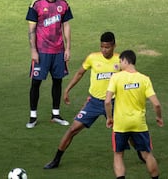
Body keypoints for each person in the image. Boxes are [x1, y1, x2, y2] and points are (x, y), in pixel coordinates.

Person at [44, 32, 120, 169]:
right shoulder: (92, 58)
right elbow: (80, 73)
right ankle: (56, 160)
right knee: (72, 129)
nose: (104, 50)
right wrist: (67, 89)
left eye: (107, 47)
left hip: (114, 103)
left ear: (114, 45)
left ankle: (142, 154)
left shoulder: (120, 60)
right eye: (102, 47)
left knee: (126, 131)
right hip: (94, 102)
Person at [105, 50, 164, 179]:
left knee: (118, 154)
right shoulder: (144, 79)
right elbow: (157, 104)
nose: (119, 64)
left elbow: (108, 101)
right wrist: (159, 117)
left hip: (120, 124)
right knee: (147, 154)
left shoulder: (116, 77)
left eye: (120, 62)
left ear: (125, 61)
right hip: (139, 124)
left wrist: (109, 118)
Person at [25, 0, 73, 128]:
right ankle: (33, 116)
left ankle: (56, 114)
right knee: (36, 82)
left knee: (58, 81)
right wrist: (33, 50)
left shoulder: (63, 4)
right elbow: (31, 30)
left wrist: (68, 48)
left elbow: (66, 26)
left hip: (58, 51)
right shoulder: (36, 4)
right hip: (42, 52)